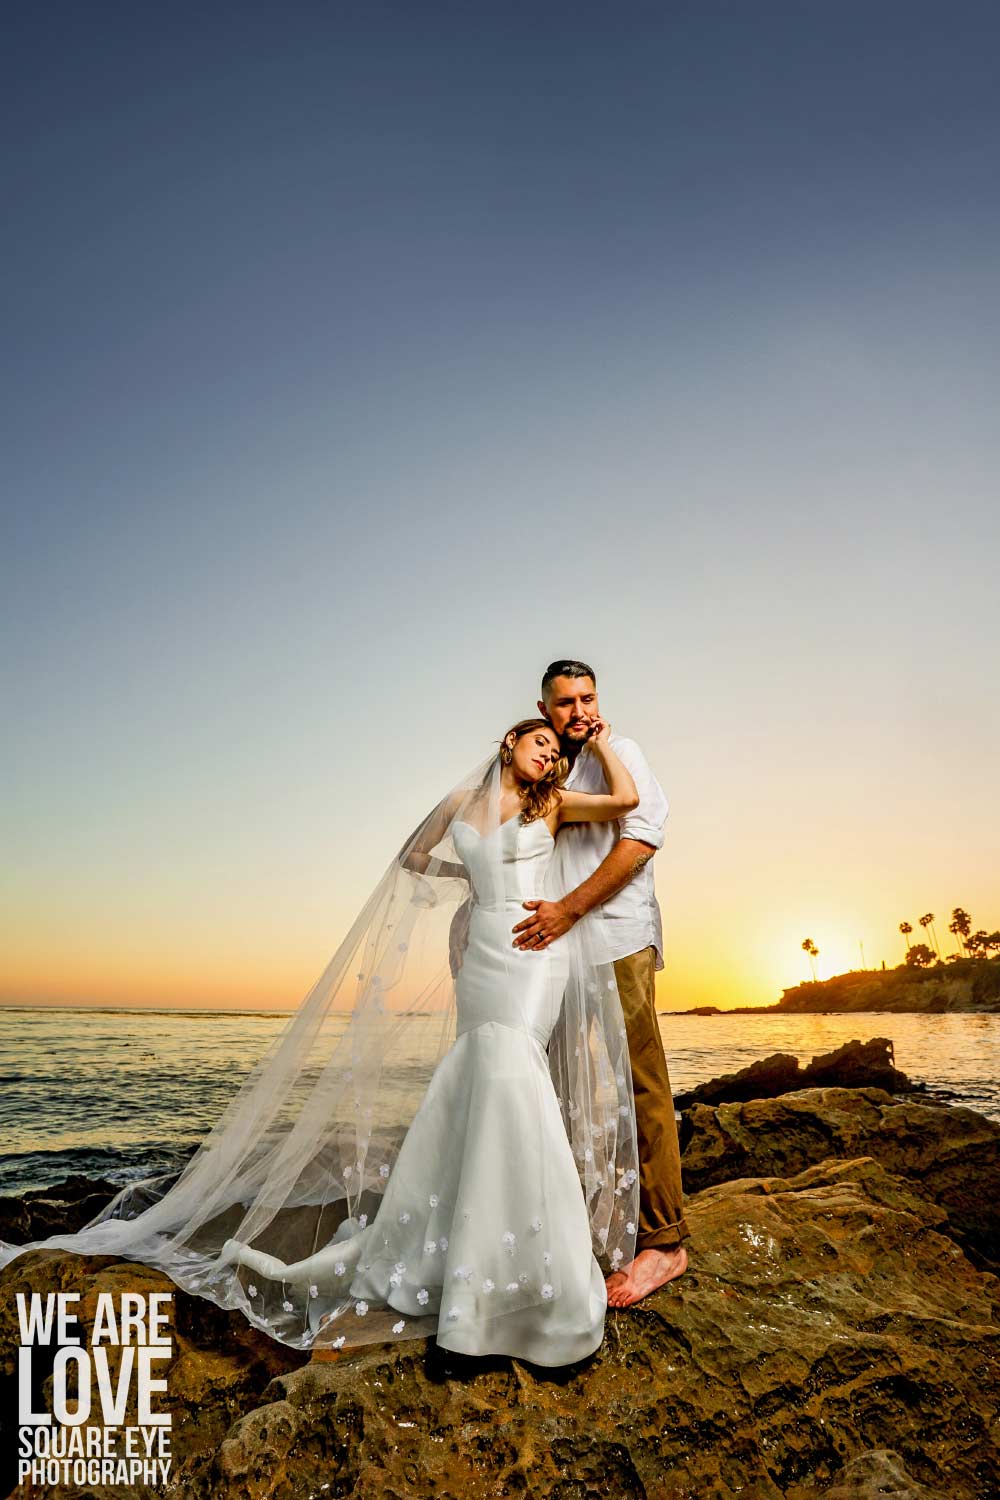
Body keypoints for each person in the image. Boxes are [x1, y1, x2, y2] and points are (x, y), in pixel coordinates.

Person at [0, 718, 643, 1369]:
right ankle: (466, 1271)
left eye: (555, 751)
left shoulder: (555, 804)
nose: (548, 754)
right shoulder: (460, 803)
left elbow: (626, 802)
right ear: (509, 742)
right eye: (540, 742)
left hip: (534, 953)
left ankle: (537, 1284)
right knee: (478, 1079)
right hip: (482, 954)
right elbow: (415, 859)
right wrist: (477, 882)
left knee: (514, 1077)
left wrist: (598, 744)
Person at [510, 660, 690, 1307]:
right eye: (565, 702)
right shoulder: (547, 771)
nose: (578, 710)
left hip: (617, 941)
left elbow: (640, 840)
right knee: (562, 1086)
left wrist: (569, 910)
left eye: (587, 698)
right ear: (543, 708)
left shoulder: (624, 753)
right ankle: (575, 1224)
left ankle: (664, 1244)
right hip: (561, 957)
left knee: (641, 1084)